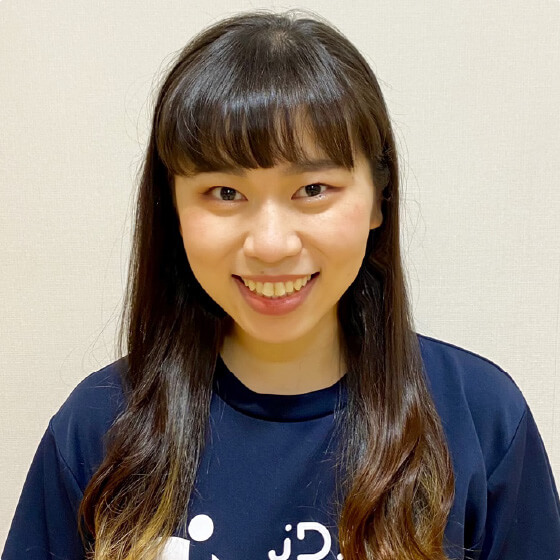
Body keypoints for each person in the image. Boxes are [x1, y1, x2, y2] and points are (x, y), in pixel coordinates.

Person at [3, 8, 560, 560]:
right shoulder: (98, 428)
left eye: (313, 189)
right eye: (225, 193)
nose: (271, 245)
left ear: (378, 199)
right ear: (172, 208)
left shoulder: (481, 419)